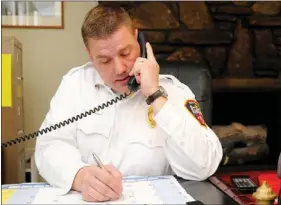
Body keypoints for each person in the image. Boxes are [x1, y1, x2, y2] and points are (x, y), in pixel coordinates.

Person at [34, 4, 223, 203]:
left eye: (125, 53)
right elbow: (48, 146)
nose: (119, 69)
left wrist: (155, 95)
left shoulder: (174, 91)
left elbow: (204, 166)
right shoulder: (75, 85)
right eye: (105, 60)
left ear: (138, 38)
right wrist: (80, 176)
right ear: (90, 56)